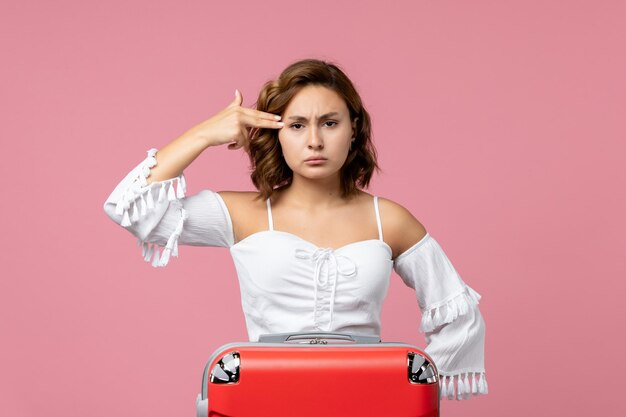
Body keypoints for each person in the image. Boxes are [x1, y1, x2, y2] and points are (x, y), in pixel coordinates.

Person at [103, 58, 487, 400]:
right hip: (265, 399)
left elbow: (460, 316)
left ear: (353, 131)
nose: (315, 141)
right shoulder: (242, 213)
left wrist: (404, 391)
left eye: (330, 123)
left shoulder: (389, 220)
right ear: (277, 134)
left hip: (366, 401)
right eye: (298, 125)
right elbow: (130, 209)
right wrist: (204, 134)